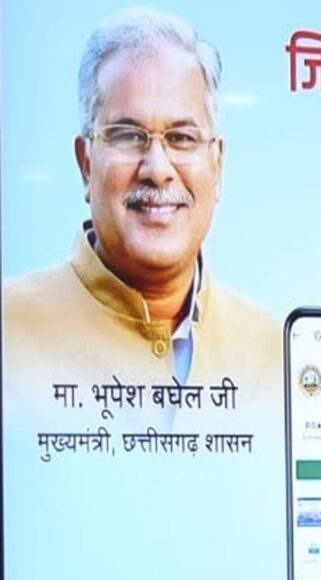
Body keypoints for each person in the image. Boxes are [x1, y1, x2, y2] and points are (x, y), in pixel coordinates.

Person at [1, 7, 280, 419]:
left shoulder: (276, 355)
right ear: (86, 163)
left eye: (181, 138)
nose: (157, 169)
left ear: (217, 165)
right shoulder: (9, 331)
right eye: (128, 136)